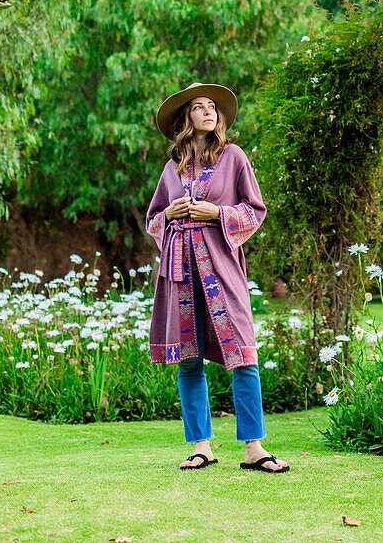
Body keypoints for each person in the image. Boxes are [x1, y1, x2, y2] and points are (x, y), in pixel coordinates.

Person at [146, 81, 289, 473]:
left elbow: (255, 210)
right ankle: (201, 445)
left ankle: (254, 448)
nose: (208, 111)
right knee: (188, 359)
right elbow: (153, 219)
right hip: (180, 271)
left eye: (212, 106)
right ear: (185, 118)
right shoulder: (171, 168)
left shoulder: (234, 157)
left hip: (221, 267)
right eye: (198, 106)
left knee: (242, 352)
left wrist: (217, 214)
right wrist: (171, 215)